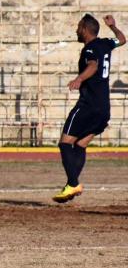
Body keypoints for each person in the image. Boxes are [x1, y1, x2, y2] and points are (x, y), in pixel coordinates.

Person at [53, 14, 125, 203]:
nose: (77, 30)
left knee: (65, 143)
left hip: (88, 105)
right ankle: (71, 185)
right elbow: (122, 39)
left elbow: (93, 65)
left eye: (78, 27)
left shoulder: (90, 49)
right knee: (80, 145)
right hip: (103, 109)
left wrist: (79, 79)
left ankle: (73, 183)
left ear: (85, 29)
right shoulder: (105, 43)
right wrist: (113, 26)